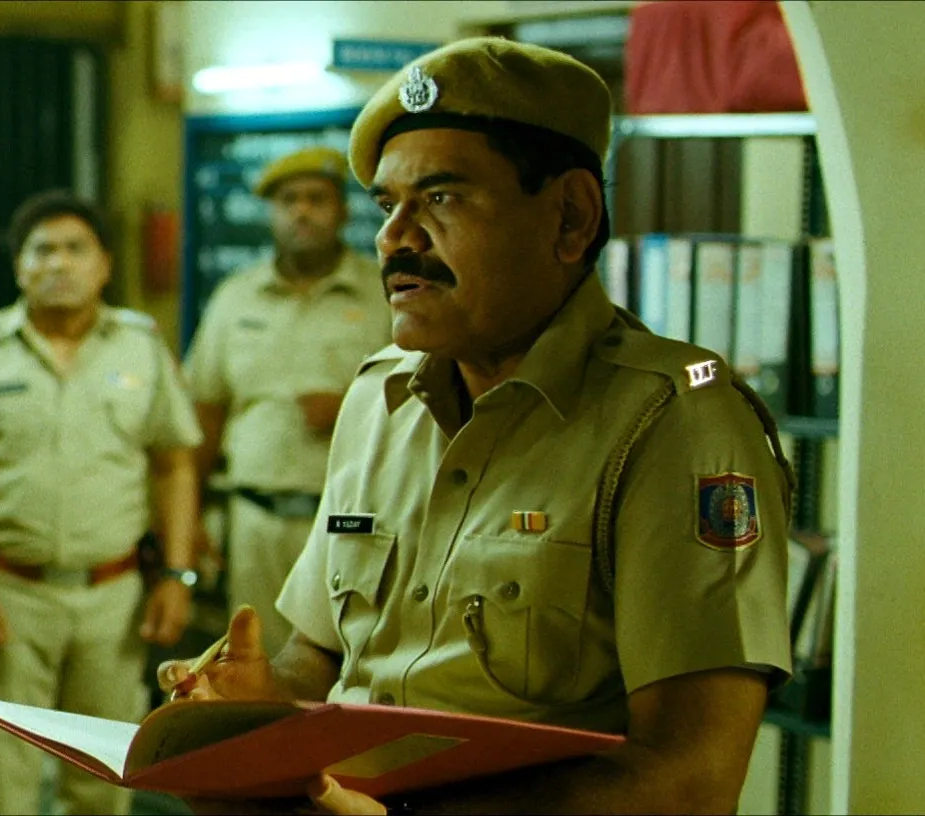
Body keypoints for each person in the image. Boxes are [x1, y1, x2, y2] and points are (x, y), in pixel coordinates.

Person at [159, 37, 794, 815]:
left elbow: (690, 780)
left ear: (570, 217)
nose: (396, 239)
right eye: (387, 206)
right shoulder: (379, 400)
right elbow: (317, 661)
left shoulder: (671, 420)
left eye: (441, 199)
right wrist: (249, 708)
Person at [0, 190, 203, 816]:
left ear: (104, 265)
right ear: (19, 267)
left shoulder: (139, 345)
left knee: (102, 775)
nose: (59, 263)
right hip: (9, 593)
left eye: (75, 249)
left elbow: (174, 463)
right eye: (42, 251)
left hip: (114, 599)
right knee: (4, 781)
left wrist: (176, 577)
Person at [182, 145, 393, 652]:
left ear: (342, 211)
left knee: (349, 658)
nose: (302, 211)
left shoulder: (383, 293)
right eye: (288, 200)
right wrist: (188, 515)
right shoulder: (236, 297)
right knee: (256, 657)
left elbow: (431, 399)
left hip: (353, 520)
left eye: (317, 199)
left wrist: (352, 408)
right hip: (252, 519)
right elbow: (205, 410)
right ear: (271, 214)